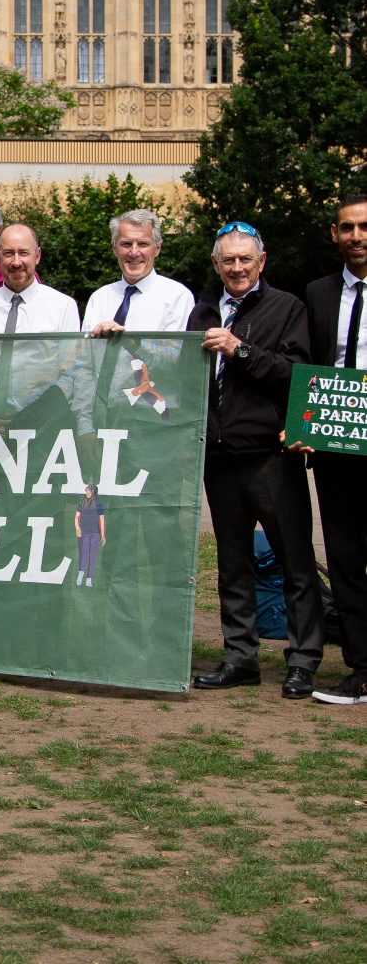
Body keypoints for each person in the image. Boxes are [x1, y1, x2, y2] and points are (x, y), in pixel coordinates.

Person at [188, 222, 322, 698]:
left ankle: (303, 659)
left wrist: (238, 349)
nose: (238, 267)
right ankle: (240, 656)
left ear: (262, 262)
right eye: (229, 260)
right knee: (233, 561)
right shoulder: (201, 309)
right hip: (219, 455)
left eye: (246, 259)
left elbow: (295, 373)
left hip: (270, 455)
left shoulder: (287, 307)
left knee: (295, 561)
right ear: (216, 265)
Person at [305, 195, 367, 705]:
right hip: (334, 446)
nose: (356, 236)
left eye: (364, 227)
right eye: (347, 228)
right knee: (344, 559)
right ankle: (360, 668)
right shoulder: (319, 293)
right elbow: (311, 366)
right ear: (334, 234)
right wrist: (303, 423)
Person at [0, 223, 86, 430]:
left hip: (45, 426)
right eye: (9, 253)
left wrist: (37, 420)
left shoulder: (63, 306)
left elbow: (69, 373)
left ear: (37, 256)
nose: (16, 262)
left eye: (23, 253)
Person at [82, 209, 195, 424]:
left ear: (157, 248)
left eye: (143, 244)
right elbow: (84, 367)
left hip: (153, 419)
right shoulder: (99, 298)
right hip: (101, 417)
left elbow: (177, 363)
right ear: (114, 248)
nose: (134, 252)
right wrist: (85, 424)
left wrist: (134, 343)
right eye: (126, 244)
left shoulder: (177, 297)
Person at [74, 484, 105, 589]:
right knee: (83, 554)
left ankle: (89, 579)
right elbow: (77, 517)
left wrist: (103, 535)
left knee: (93, 556)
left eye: (88, 490)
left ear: (93, 492)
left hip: (95, 534)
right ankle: (80, 575)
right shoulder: (82, 503)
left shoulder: (99, 504)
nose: (86, 492)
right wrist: (77, 528)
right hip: (84, 533)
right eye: (86, 490)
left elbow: (101, 520)